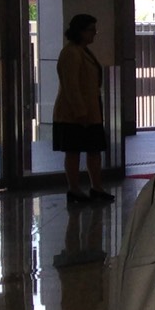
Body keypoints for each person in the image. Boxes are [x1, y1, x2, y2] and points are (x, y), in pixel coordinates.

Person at [53, 13, 114, 202]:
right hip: (74, 113)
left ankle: (96, 187)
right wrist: (80, 112)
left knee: (93, 149)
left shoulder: (82, 51)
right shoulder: (71, 53)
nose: (94, 33)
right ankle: (74, 189)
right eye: (91, 30)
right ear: (79, 31)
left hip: (90, 110)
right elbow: (71, 85)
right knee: (74, 151)